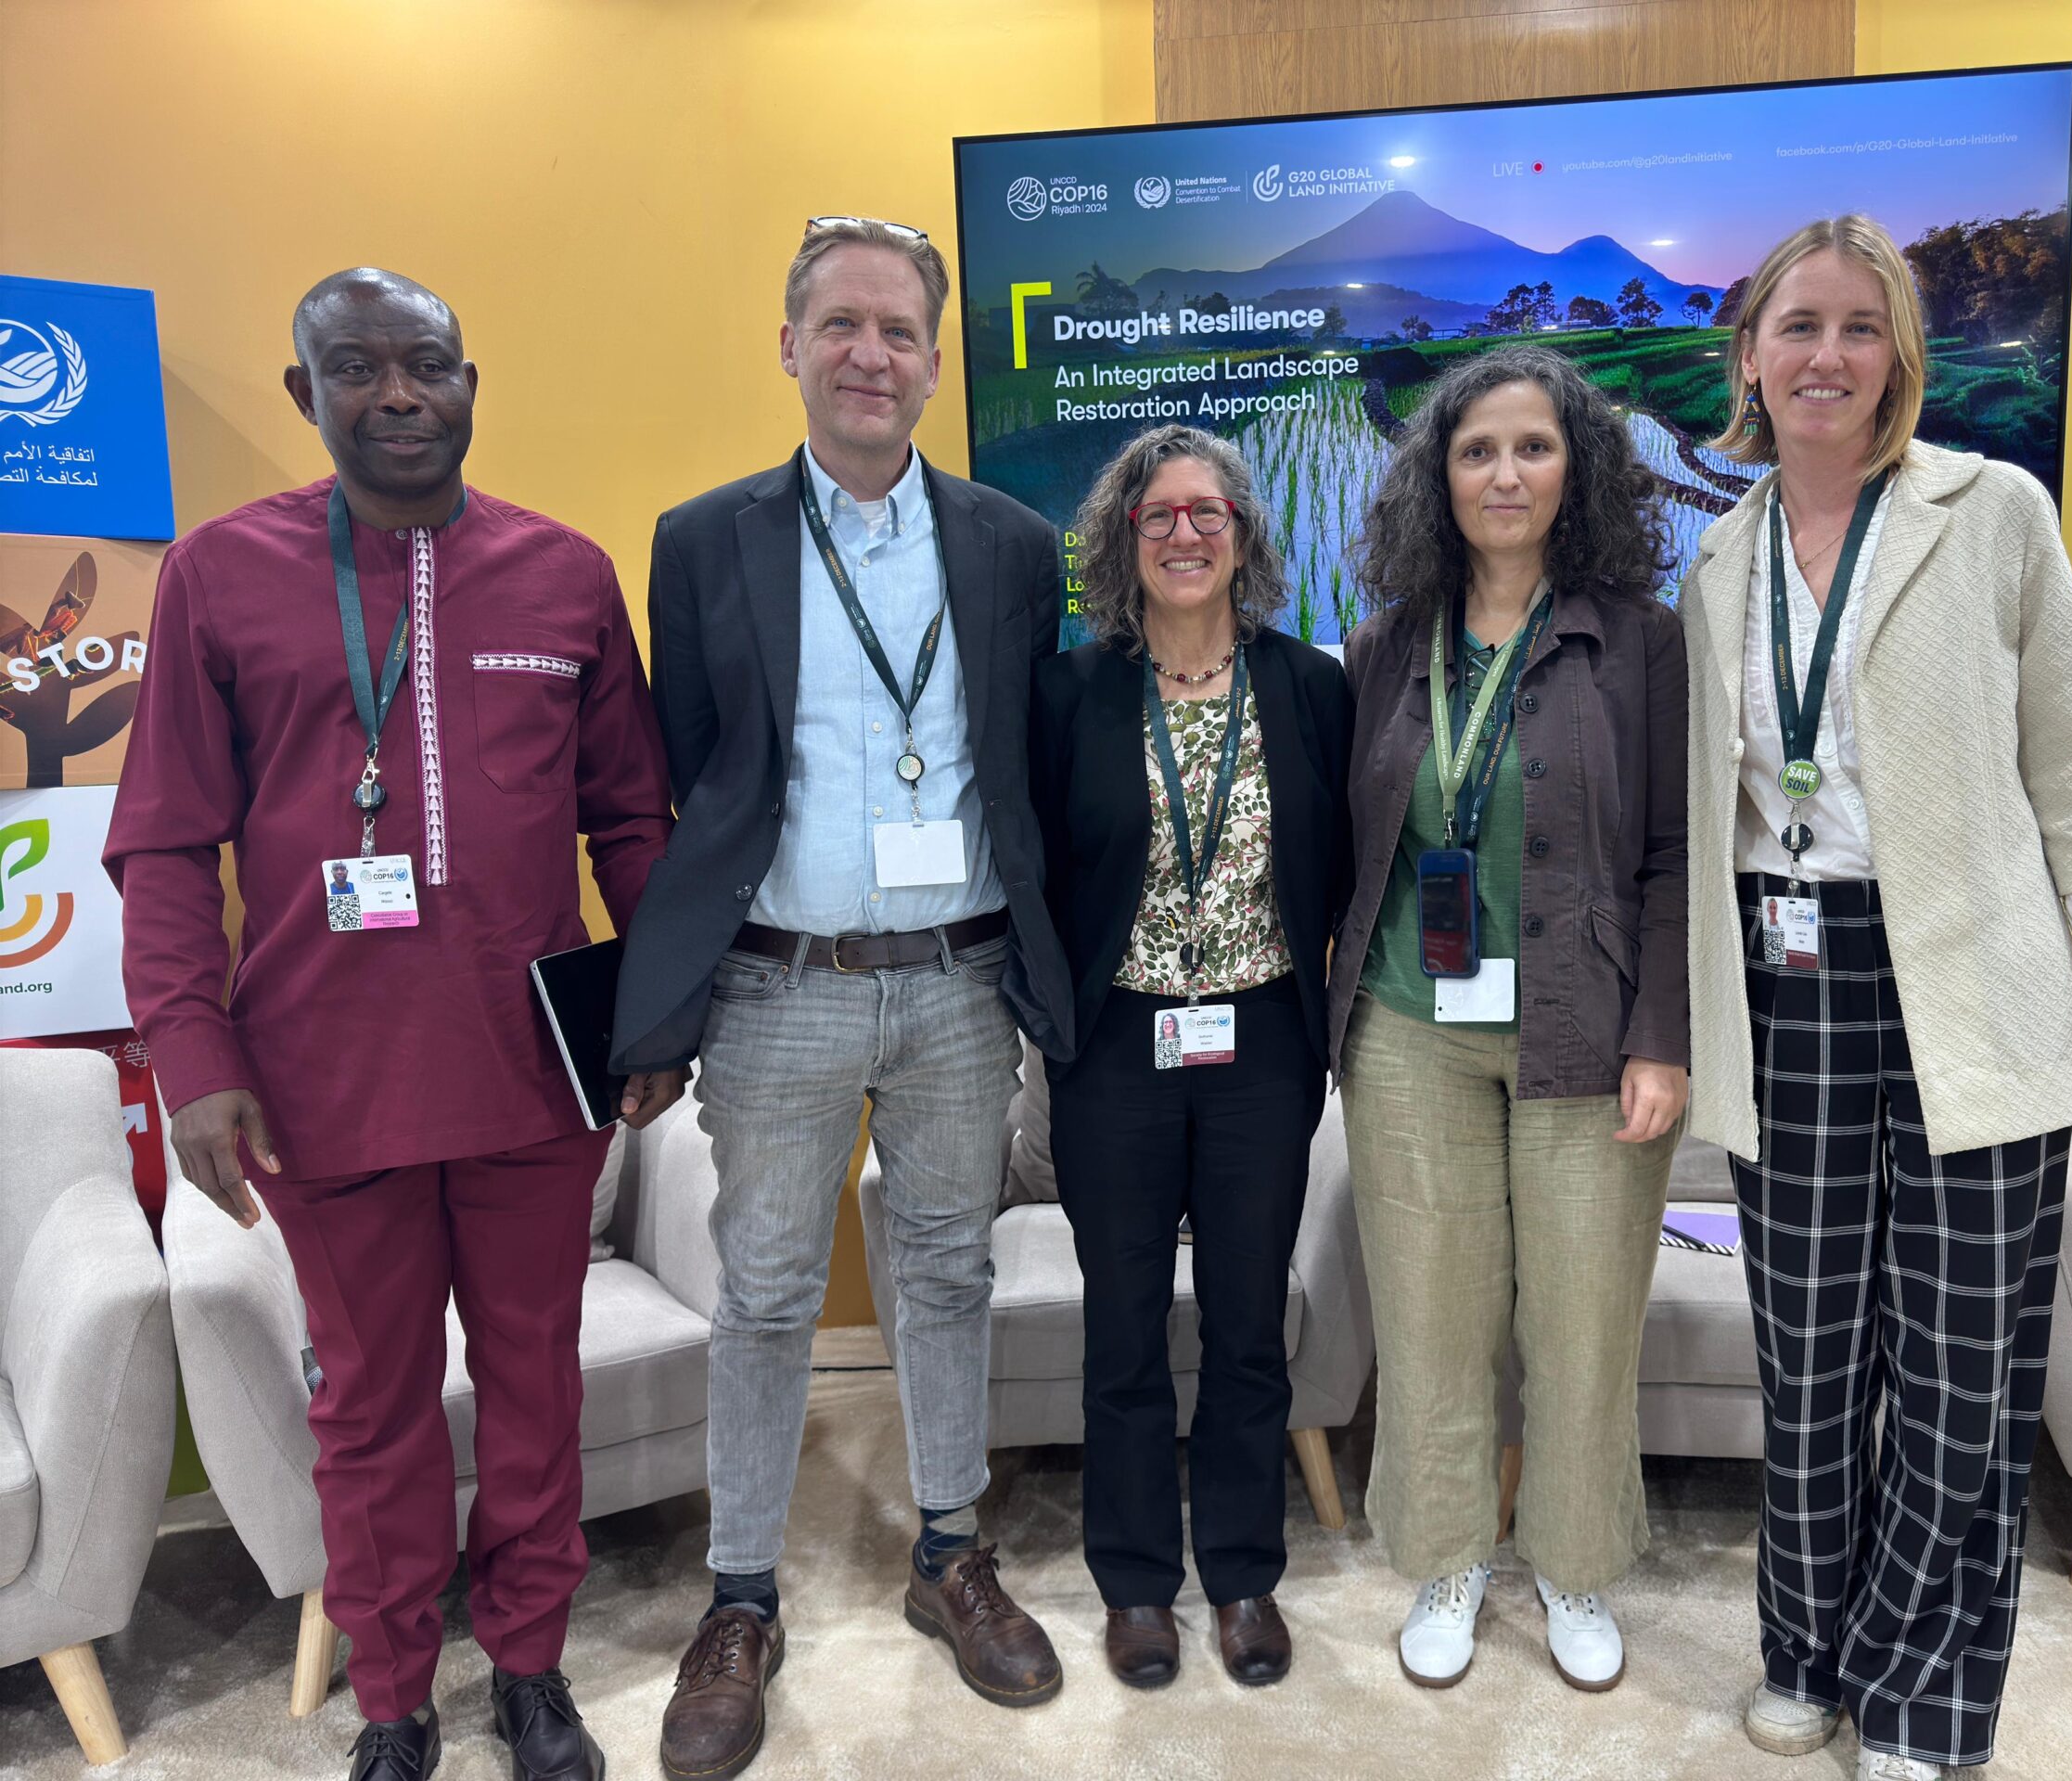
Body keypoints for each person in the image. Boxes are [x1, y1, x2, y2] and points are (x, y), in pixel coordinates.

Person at [105, 268, 678, 1781]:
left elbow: (632, 823)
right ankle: (395, 1693)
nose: (399, 395)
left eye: (426, 365)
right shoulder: (216, 576)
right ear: (307, 396)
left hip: (531, 1078)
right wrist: (193, 1061)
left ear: (472, 382)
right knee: (368, 1412)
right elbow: (162, 846)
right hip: (316, 1085)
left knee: (536, 1377)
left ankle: (535, 1670)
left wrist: (661, 1014)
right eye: (356, 368)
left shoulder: (565, 576)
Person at [1677, 216, 2072, 1781]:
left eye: (1856, 327)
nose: (1823, 356)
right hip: (1786, 988)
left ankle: (1923, 1696)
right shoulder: (1713, 554)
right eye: (1795, 328)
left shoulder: (1993, 514)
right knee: (1811, 1352)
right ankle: (1805, 1648)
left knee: (1964, 1369)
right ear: (1750, 360)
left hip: (1969, 981)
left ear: (1897, 353)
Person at [609, 217, 1069, 1776]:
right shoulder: (702, 536)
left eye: (901, 332)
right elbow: (696, 765)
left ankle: (950, 1550)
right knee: (766, 1291)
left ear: (938, 362)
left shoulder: (1008, 542)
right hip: (778, 985)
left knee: (947, 1273)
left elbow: (1018, 759)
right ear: (790, 345)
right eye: (843, 326)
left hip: (960, 979)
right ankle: (742, 1597)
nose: (872, 355)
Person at [1330, 345, 1690, 1694]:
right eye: (1476, 449)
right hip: (1409, 1034)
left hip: (1591, 1038)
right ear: (1439, 472)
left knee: (1586, 1323)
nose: (1505, 472)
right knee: (1430, 1317)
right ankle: (1446, 1557)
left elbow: (1671, 858)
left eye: (1534, 447)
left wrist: (1664, 1034)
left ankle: (1576, 1568)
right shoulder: (1382, 643)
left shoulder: (1642, 640)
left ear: (1578, 467)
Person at [1027, 425, 1350, 1690]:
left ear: (1242, 534)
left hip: (1264, 1042)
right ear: (1123, 537)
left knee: (1245, 1324)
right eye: (1157, 515)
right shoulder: (1070, 692)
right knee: (1119, 1326)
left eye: (1206, 512)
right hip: (1115, 1048)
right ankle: (1135, 1584)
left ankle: (1244, 1572)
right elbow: (1038, 868)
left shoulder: (1309, 685)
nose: (1183, 534)